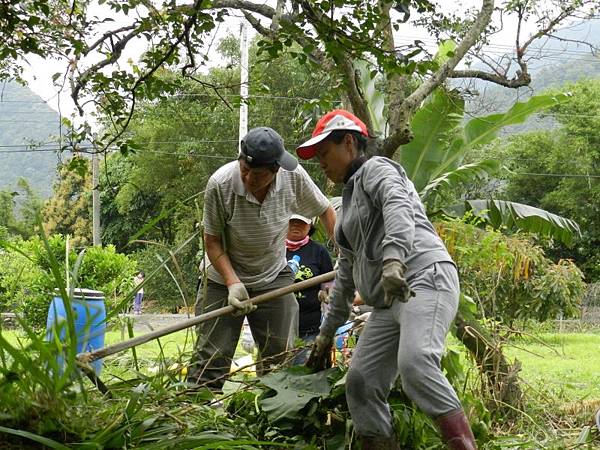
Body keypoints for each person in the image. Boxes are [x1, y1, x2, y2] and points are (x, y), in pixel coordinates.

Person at [297, 110, 477, 450]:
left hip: (422, 278)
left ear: (348, 143)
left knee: (416, 363)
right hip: (387, 300)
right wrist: (324, 335)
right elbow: (346, 275)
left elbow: (399, 206)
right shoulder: (348, 206)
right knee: (361, 381)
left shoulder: (377, 169)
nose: (320, 163)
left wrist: (394, 259)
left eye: (324, 153)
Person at [187, 126, 336, 392]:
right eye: (244, 168)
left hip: (273, 275)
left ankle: (271, 420)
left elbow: (325, 209)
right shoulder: (220, 184)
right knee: (211, 357)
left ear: (276, 170)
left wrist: (344, 252)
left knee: (280, 359)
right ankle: (195, 417)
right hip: (222, 277)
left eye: (256, 175)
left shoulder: (293, 177)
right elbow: (212, 241)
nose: (247, 177)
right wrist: (233, 283)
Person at [285, 213, 334, 363]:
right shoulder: (273, 250)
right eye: (292, 222)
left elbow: (329, 286)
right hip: (279, 326)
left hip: (309, 327)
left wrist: (326, 294)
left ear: (310, 225)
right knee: (274, 371)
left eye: (301, 222)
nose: (296, 225)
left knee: (304, 373)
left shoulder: (319, 252)